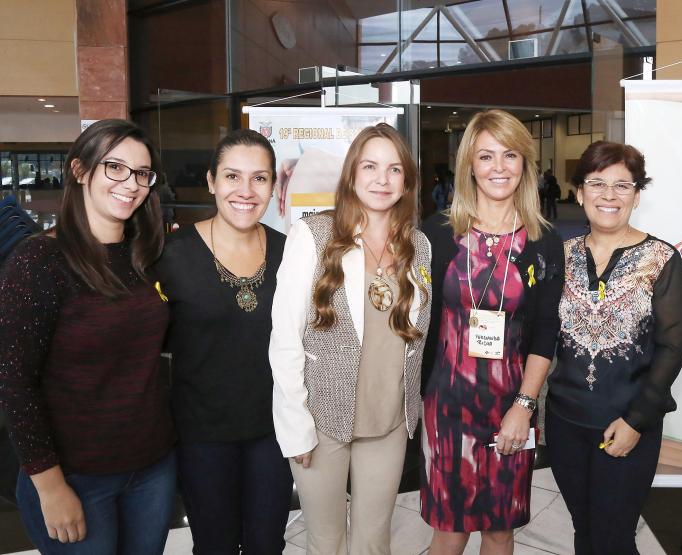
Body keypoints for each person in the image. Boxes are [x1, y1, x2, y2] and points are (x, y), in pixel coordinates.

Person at [0, 119, 175, 553]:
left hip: (151, 467)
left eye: (141, 173)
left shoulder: (145, 256)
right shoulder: (39, 261)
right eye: (115, 167)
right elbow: (15, 382)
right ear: (80, 170)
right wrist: (50, 486)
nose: (130, 184)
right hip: (75, 476)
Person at [270, 123, 431, 555]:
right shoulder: (314, 235)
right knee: (325, 540)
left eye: (394, 169)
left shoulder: (419, 246)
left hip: (389, 420)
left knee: (374, 540)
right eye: (371, 166)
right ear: (352, 175)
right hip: (322, 420)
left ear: (406, 180)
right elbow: (284, 338)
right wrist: (296, 427)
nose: (382, 179)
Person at [420, 109, 564, 554]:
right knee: (450, 526)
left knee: (500, 527)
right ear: (470, 165)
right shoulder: (438, 235)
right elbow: (421, 325)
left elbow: (545, 331)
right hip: (447, 404)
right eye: (486, 156)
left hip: (510, 401)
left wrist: (525, 406)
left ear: (524, 163)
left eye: (509, 155)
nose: (498, 167)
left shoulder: (543, 241)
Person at [546, 141, 682, 554]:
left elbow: (673, 347)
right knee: (584, 529)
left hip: (627, 425)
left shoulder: (662, 259)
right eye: (597, 183)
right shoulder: (563, 255)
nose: (609, 195)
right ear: (578, 194)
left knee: (614, 537)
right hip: (564, 422)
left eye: (622, 186)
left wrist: (636, 421)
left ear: (637, 195)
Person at [155, 129, 292, 554]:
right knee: (214, 546)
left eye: (260, 179)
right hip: (202, 435)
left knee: (267, 545)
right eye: (233, 177)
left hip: (273, 432)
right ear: (212, 181)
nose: (246, 191)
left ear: (273, 186)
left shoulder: (292, 253)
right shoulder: (171, 254)